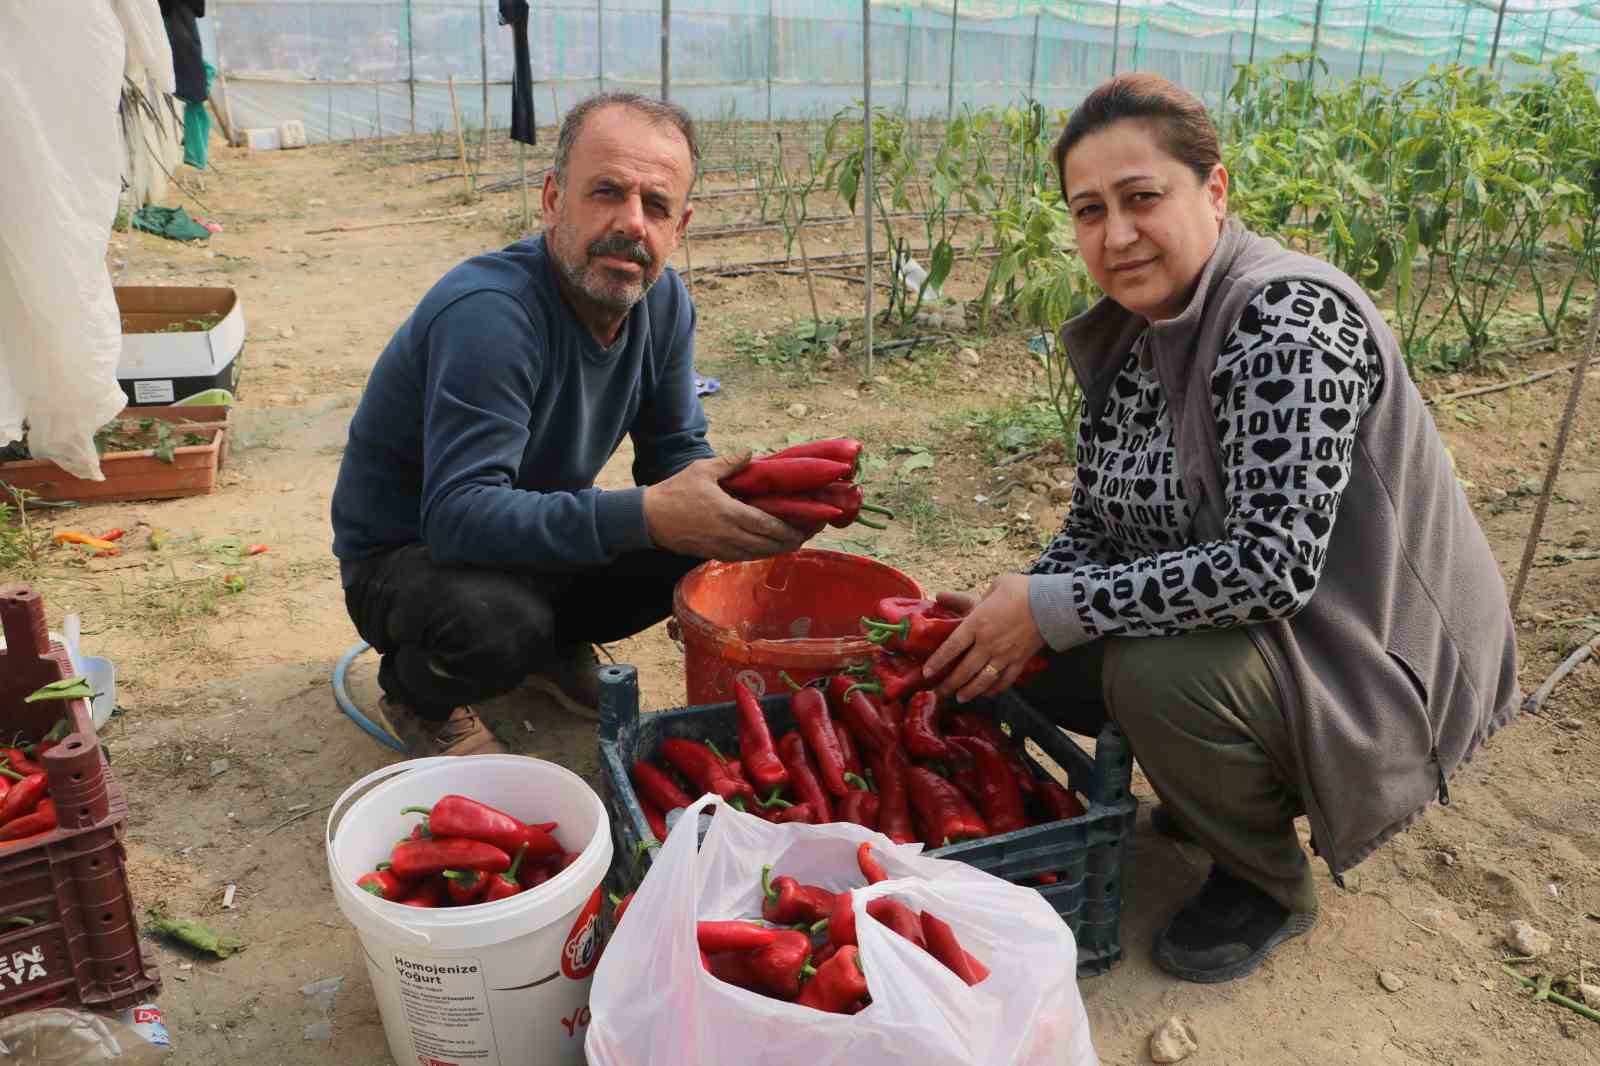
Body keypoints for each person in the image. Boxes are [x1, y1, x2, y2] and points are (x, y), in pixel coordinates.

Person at [922, 73, 1519, 983]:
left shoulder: (1288, 321)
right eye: (1089, 210)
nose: (1116, 234)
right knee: (1033, 650)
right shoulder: (1140, 331)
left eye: (1142, 198)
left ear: (1216, 190)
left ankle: (1267, 882)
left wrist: (1055, 606)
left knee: (1153, 674)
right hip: (1280, 638)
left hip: (1368, 660)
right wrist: (1027, 603)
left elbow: (1274, 568)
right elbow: (1099, 523)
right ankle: (1222, 789)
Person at [331, 93, 808, 757]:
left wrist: (735, 513)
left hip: (517, 537)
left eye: (656, 206)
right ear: (554, 199)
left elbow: (674, 453)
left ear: (681, 226)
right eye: (606, 192)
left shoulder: (663, 304)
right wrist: (646, 516)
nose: (631, 223)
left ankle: (549, 649)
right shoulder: (491, 314)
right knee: (498, 623)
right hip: (408, 558)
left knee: (694, 531)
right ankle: (420, 691)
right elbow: (457, 514)